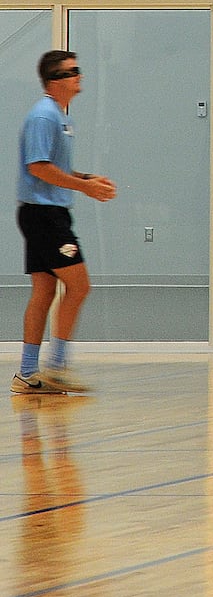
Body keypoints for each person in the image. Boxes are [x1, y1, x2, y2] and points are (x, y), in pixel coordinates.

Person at [12, 51, 117, 395]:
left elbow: (53, 168)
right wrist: (83, 186)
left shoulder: (59, 117)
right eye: (73, 72)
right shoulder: (44, 116)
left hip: (45, 213)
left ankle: (28, 373)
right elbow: (38, 167)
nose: (79, 77)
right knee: (80, 285)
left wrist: (86, 178)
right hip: (44, 217)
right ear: (55, 80)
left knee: (44, 291)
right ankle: (57, 366)